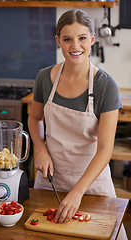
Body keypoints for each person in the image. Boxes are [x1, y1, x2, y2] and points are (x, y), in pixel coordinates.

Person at [28, 9, 128, 239]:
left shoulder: (105, 86)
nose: (75, 46)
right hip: (51, 181)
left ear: (92, 39)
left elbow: (105, 150)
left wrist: (77, 192)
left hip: (91, 185)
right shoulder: (44, 78)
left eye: (82, 38)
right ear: (58, 42)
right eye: (67, 39)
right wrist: (40, 148)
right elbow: (34, 119)